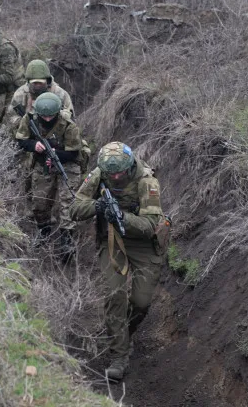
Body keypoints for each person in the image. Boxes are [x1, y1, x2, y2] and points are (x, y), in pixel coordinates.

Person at [68, 142, 170, 381]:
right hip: (112, 240)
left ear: (129, 166)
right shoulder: (99, 174)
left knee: (141, 302)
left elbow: (149, 226)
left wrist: (122, 215)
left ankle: (123, 332)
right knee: (114, 294)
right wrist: (98, 206)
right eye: (110, 173)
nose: (114, 177)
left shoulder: (146, 181)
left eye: (119, 173)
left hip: (143, 243)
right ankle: (119, 356)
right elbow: (74, 208)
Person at [15, 92, 82, 257]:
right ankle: (44, 232)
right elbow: (21, 140)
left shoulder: (68, 125)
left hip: (67, 165)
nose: (46, 119)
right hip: (42, 164)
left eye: (50, 116)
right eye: (43, 116)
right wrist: (34, 145)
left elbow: (74, 153)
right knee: (39, 203)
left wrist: (55, 153)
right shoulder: (30, 119)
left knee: (67, 202)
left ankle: (66, 240)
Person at [5, 59, 74, 135]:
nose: (38, 85)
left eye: (40, 82)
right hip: (27, 134)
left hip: (54, 133)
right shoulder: (20, 94)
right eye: (34, 82)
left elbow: (70, 118)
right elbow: (10, 117)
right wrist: (23, 122)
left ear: (47, 80)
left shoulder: (60, 94)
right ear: (28, 81)